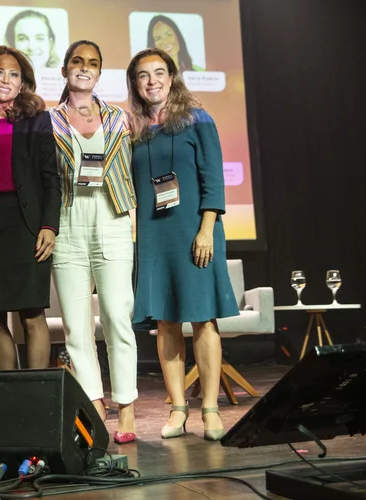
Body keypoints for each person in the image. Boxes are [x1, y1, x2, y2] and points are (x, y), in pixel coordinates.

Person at [126, 48, 239, 441]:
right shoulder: (135, 130)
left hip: (195, 230)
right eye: (144, 75)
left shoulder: (198, 119)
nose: (152, 80)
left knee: (203, 319)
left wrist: (207, 228)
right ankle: (178, 409)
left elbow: (214, 179)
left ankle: (210, 409)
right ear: (136, 84)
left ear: (172, 77)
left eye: (160, 72)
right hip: (155, 236)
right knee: (166, 322)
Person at [48, 40, 138, 444]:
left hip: (114, 218)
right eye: (77, 62)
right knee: (76, 327)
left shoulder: (120, 118)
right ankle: (95, 406)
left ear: (100, 73)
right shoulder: (48, 120)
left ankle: (127, 408)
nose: (84, 68)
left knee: (118, 317)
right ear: (66, 69)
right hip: (68, 222)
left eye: (92, 64)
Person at [0, 46, 60, 371]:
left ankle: (36, 399)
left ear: (23, 83)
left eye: (14, 74)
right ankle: (10, 397)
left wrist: (49, 225)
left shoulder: (37, 121)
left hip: (27, 225)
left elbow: (51, 178)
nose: (5, 79)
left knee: (32, 315)